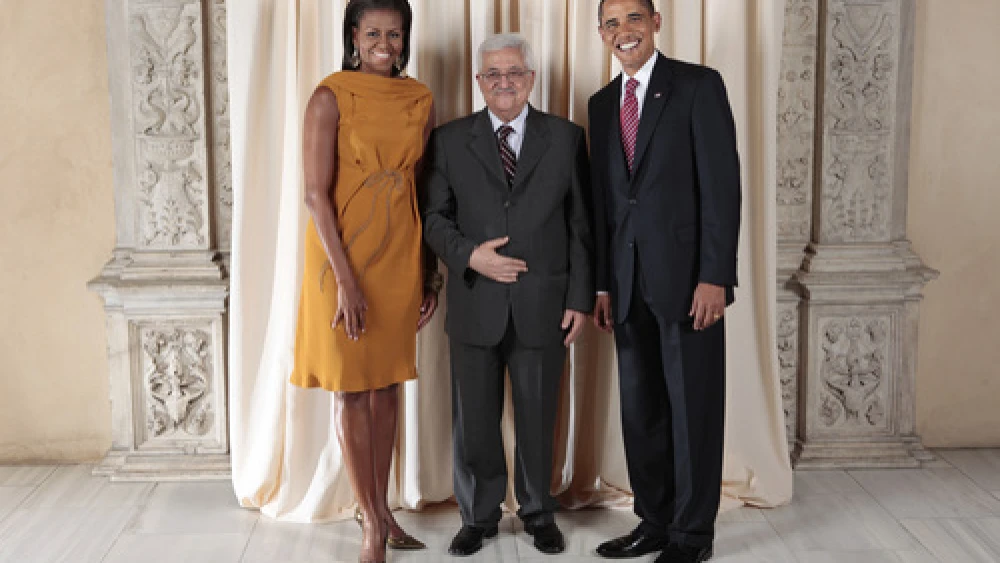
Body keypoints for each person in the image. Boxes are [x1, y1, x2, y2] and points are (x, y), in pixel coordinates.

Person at [422, 33, 593, 558]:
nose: (504, 82)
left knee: (539, 417)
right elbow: (433, 219)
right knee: (474, 420)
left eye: (514, 72)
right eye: (493, 74)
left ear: (531, 79)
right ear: (479, 81)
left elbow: (581, 226)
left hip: (545, 304)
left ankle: (539, 513)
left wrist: (580, 299)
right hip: (475, 301)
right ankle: (479, 516)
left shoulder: (565, 138)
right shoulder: (450, 140)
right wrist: (471, 256)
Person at [587, 0, 742, 561]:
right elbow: (607, 203)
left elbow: (722, 188)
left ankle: (692, 535)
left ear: (655, 22)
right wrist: (603, 285)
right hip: (627, 286)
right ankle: (653, 522)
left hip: (689, 285)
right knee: (642, 413)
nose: (623, 31)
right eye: (611, 23)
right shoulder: (601, 105)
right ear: (601, 34)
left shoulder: (698, 87)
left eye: (633, 18)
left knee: (693, 410)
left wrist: (714, 277)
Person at [289, 1, 441, 561]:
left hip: (399, 255)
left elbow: (423, 186)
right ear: (354, 35)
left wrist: (429, 274)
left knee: (388, 383)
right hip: (340, 258)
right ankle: (372, 521)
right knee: (353, 386)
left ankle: (379, 506)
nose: (385, 44)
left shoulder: (420, 99)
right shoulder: (329, 96)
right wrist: (346, 282)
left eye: (394, 34)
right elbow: (315, 195)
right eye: (373, 32)